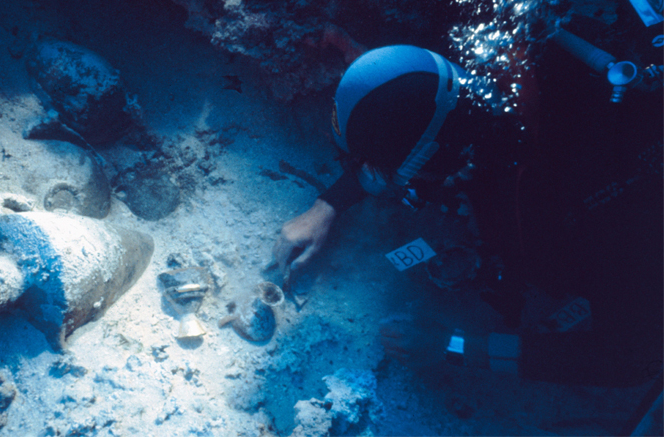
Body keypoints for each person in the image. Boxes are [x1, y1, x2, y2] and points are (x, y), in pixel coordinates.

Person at [272, 40, 663, 389]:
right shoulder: (477, 65)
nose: (383, 182)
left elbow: (631, 357)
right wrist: (328, 204)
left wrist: (453, 346)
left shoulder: (589, 206)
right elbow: (404, 112)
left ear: (437, 154)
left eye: (392, 173)